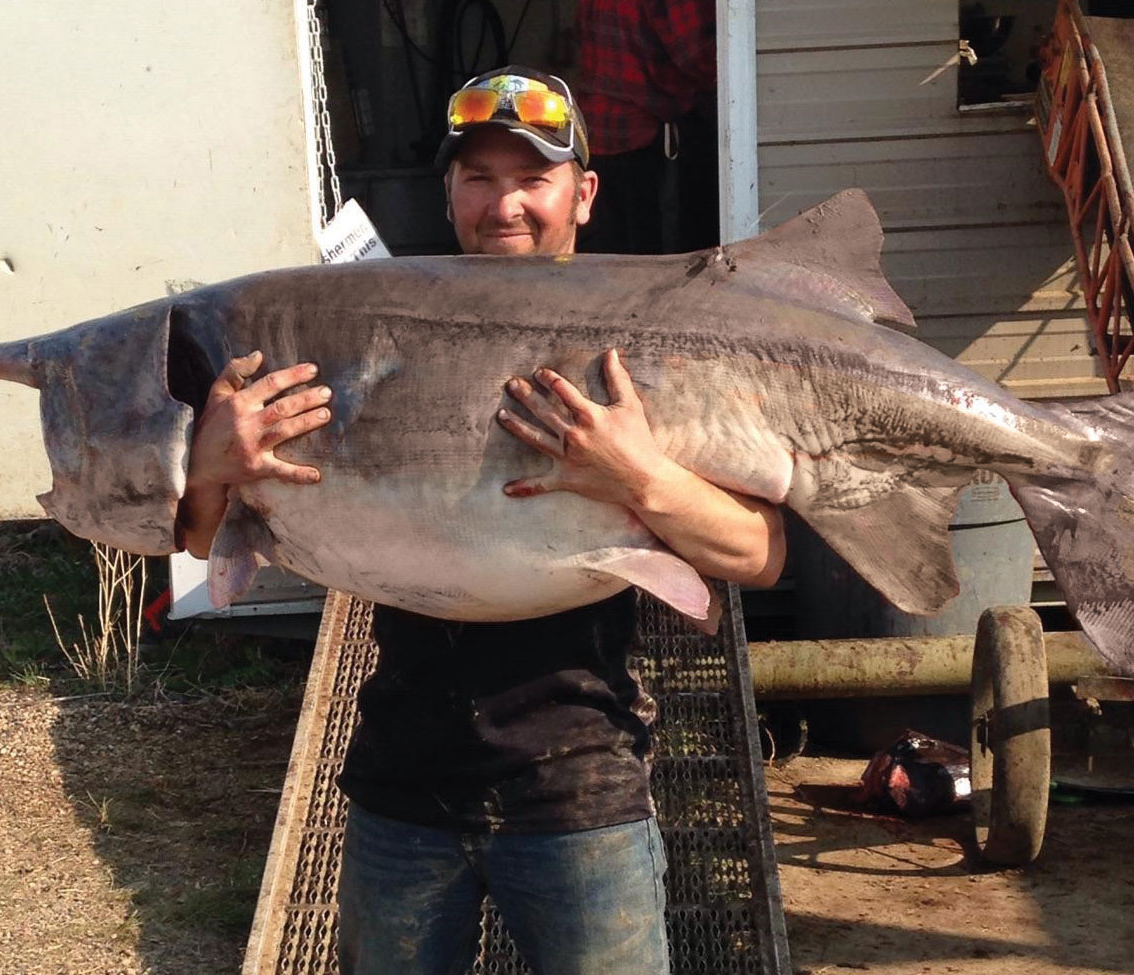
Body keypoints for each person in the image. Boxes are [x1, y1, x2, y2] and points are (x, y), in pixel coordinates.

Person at [178, 66, 785, 975]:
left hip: (580, 788)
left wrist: (639, 477)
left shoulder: (643, 360)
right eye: (479, 177)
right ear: (449, 194)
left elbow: (762, 555)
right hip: (401, 786)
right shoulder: (372, 342)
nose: (505, 204)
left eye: (532, 178)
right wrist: (211, 473)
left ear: (582, 194)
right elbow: (201, 545)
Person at [573, 0, 719, 255]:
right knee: (665, 261)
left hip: (599, 134)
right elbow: (698, 56)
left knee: (614, 259)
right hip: (650, 139)